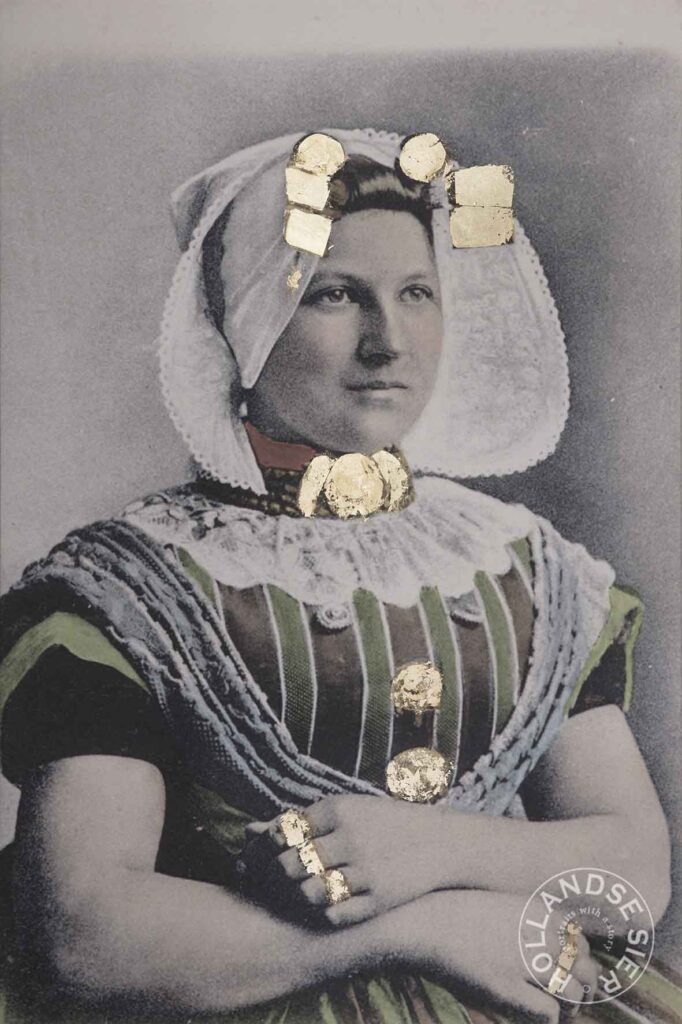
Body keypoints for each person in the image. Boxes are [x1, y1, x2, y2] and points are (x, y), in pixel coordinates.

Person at [0, 128, 679, 1024]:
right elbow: (85, 936)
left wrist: (433, 849)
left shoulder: (528, 570)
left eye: (415, 294)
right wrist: (419, 930)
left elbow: (635, 872)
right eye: (335, 295)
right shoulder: (131, 591)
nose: (387, 342)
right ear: (248, 321)